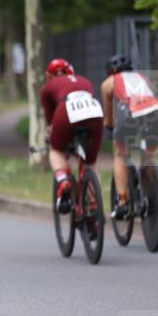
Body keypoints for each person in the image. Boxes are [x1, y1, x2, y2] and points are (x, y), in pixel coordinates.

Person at [100, 54, 158, 219]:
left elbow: (109, 117)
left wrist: (109, 127)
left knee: (120, 154)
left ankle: (122, 202)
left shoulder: (109, 82)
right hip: (155, 112)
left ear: (111, 71)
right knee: (148, 155)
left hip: (129, 113)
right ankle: (157, 192)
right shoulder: (144, 78)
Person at [40, 58, 104, 214]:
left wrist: (52, 134)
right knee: (90, 163)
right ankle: (95, 208)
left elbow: (51, 120)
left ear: (49, 76)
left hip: (66, 109)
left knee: (56, 150)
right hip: (94, 110)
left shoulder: (48, 87)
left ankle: (63, 181)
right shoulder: (85, 81)